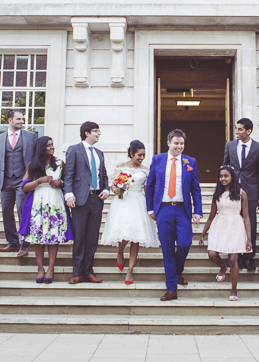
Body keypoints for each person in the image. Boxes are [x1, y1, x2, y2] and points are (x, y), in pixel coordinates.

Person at [146, 128, 203, 301]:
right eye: (176, 143)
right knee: (167, 249)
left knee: (185, 243)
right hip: (163, 209)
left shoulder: (189, 161)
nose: (179, 146)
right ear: (168, 142)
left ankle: (177, 271)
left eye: (182, 143)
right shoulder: (158, 159)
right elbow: (150, 185)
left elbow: (195, 189)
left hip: (182, 209)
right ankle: (172, 288)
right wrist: (150, 209)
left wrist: (198, 211)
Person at [101, 140, 159, 285]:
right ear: (132, 154)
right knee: (124, 234)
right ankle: (120, 251)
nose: (142, 158)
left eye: (144, 155)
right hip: (122, 201)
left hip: (138, 202)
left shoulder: (146, 170)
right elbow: (113, 185)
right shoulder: (120, 166)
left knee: (136, 237)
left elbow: (148, 190)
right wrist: (116, 190)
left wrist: (151, 208)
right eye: (139, 155)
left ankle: (130, 270)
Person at [0, 108, 38, 256]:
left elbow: (36, 158)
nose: (21, 121)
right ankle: (13, 243)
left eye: (22, 119)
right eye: (18, 119)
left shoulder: (31, 136)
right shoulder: (0, 138)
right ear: (10, 120)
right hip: (6, 181)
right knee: (6, 212)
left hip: (23, 181)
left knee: (22, 210)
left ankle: (25, 243)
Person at [20, 136, 72, 284]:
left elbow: (68, 182)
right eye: (48, 145)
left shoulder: (59, 163)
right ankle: (40, 269)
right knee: (38, 238)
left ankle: (50, 268)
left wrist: (60, 182)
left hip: (55, 203)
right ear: (41, 147)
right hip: (39, 203)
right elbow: (24, 187)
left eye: (52, 145)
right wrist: (39, 181)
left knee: (53, 238)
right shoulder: (33, 165)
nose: (51, 147)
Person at [63, 121, 109, 284]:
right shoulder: (74, 150)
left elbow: (103, 175)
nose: (99, 134)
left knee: (92, 238)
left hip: (96, 199)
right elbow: (68, 173)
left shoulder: (99, 152)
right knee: (80, 237)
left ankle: (88, 271)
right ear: (87, 133)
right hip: (80, 199)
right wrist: (68, 194)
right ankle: (77, 272)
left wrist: (106, 189)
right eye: (96, 131)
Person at [198, 165, 252, 301]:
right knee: (212, 254)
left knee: (233, 259)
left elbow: (246, 217)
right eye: (221, 176)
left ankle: (234, 291)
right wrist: (203, 234)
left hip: (235, 225)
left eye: (226, 176)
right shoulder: (217, 194)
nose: (223, 179)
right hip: (219, 225)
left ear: (232, 177)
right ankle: (223, 267)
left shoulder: (241, 193)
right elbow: (210, 216)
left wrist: (249, 238)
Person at [221, 118, 259, 271]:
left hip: (251, 191)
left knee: (250, 223)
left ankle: (249, 257)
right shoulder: (230, 146)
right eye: (236, 128)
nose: (237, 132)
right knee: (233, 223)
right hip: (233, 191)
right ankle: (235, 256)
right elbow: (224, 169)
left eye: (240, 129)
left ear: (248, 131)